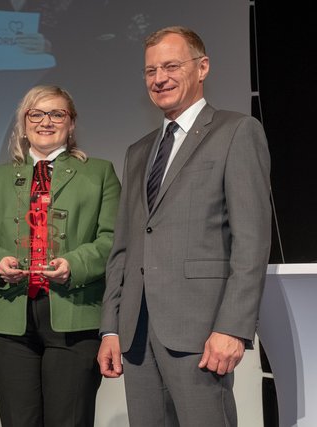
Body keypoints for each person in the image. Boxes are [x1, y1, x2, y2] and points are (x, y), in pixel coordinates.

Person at [97, 26, 271, 426]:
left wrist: (233, 327)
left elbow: (252, 240)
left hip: (201, 332)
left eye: (172, 66)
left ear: (203, 67)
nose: (160, 79)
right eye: (150, 71)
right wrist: (111, 327)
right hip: (137, 335)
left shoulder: (236, 132)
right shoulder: (138, 151)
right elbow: (124, 246)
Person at [0, 85, 121, 426]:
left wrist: (75, 264)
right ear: (23, 124)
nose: (46, 121)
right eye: (36, 114)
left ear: (71, 125)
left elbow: (113, 239)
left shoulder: (100, 173)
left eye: (57, 113)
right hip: (8, 320)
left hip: (76, 316)